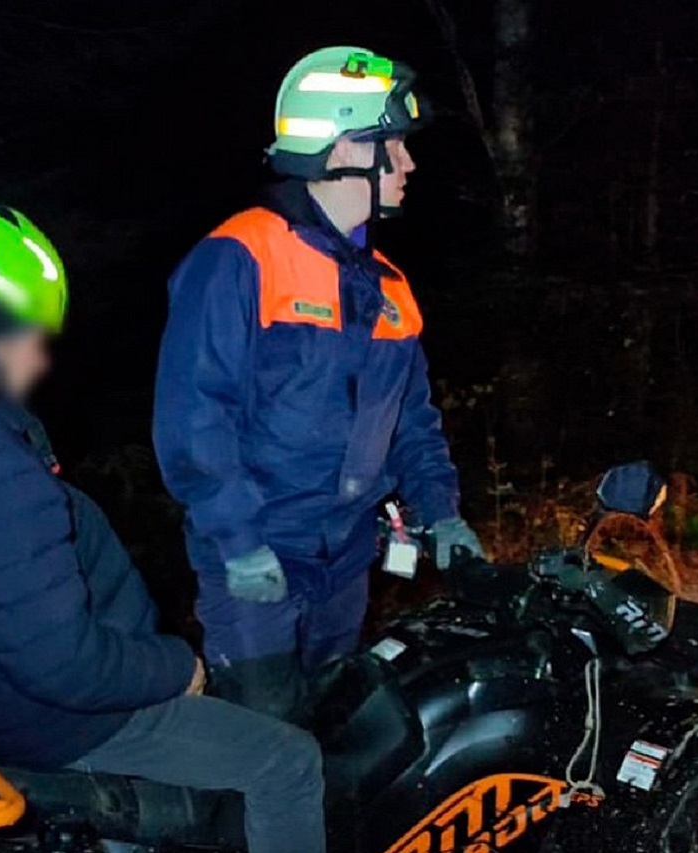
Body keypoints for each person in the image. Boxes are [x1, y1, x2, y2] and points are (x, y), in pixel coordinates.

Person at [0, 200, 326, 853]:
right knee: (287, 763)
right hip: (46, 720)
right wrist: (178, 666)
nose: (42, 359)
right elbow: (65, 667)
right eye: (33, 337)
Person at [154, 46, 483, 718]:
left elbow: (411, 423)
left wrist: (439, 511)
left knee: (335, 737)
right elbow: (194, 417)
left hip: (346, 562)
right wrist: (240, 542)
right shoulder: (240, 257)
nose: (408, 163)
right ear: (342, 150)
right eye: (392, 146)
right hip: (258, 559)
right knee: (265, 744)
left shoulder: (390, 285)